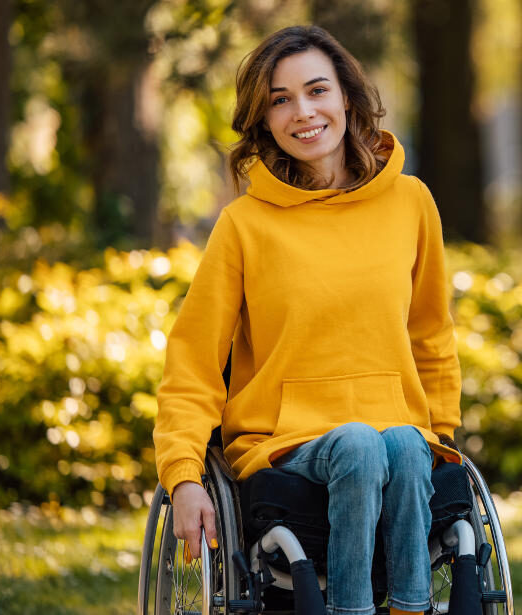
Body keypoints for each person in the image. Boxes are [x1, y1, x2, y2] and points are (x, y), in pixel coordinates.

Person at [153, 25, 462, 615]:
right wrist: (184, 473)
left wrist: (440, 436)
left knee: (392, 441)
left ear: (347, 97)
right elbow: (193, 359)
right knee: (360, 445)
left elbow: (431, 334)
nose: (303, 112)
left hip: (397, 435)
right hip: (283, 443)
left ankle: (406, 606)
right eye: (280, 99)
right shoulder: (244, 225)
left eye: (317, 90)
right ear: (263, 121)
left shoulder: (412, 203)